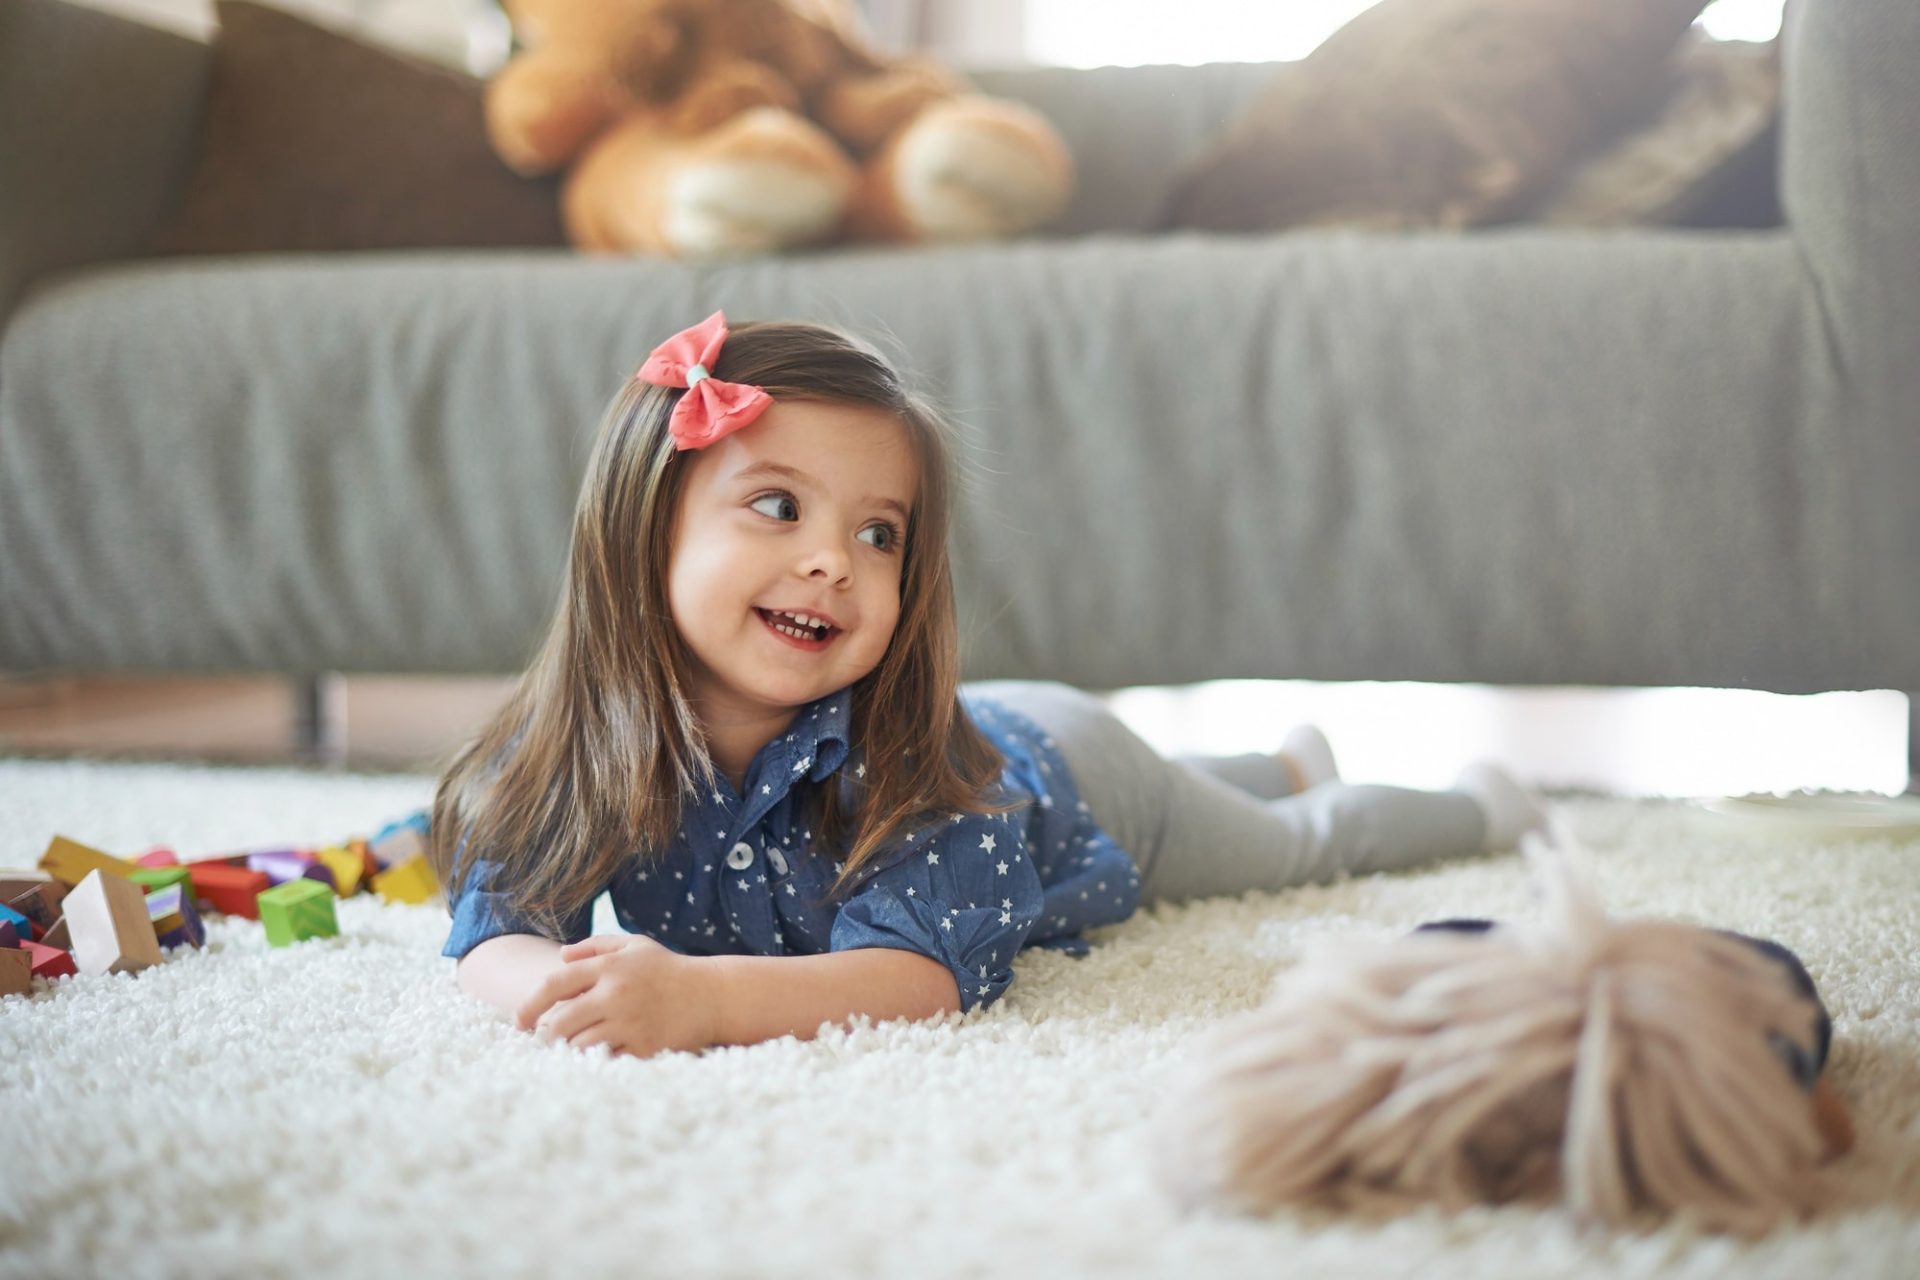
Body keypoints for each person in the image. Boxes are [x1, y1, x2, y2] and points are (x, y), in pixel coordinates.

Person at [428, 311, 1549, 1059]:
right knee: (1240, 789)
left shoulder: (916, 775)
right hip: (1015, 723)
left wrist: (702, 1000)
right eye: (779, 506)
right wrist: (559, 992)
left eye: (880, 533)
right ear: (642, 521)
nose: (834, 560)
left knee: (1289, 842)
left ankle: (1475, 800)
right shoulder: (576, 745)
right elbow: (497, 922)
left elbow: (921, 976)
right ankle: (1282, 754)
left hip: (1085, 780)